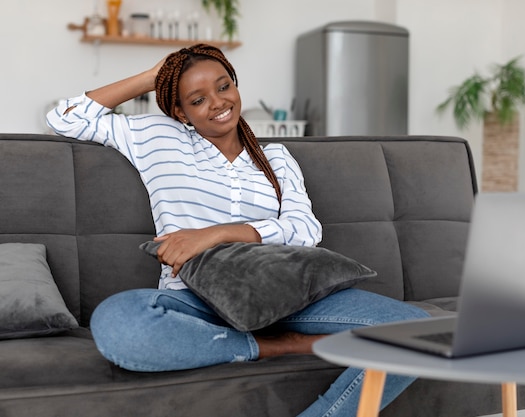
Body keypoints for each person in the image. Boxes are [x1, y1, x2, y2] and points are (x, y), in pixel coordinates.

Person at [46, 44, 430, 416]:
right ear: (180, 112)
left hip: (286, 296)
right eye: (196, 100)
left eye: (223, 86)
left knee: (416, 332)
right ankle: (274, 346)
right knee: (117, 322)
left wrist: (215, 234)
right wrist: (153, 76)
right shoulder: (156, 137)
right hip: (194, 298)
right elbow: (64, 118)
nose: (217, 103)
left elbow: (305, 230)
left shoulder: (276, 158)